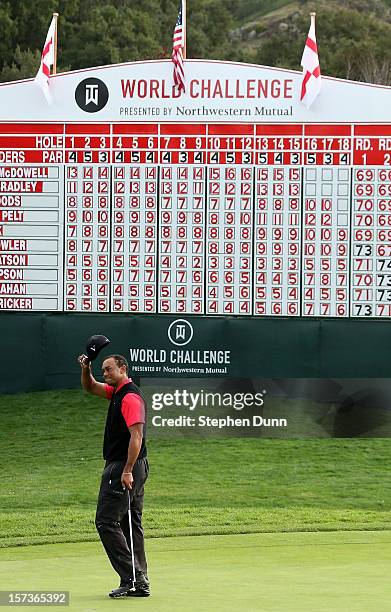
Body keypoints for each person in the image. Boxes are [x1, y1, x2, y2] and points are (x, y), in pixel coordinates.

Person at [78, 353, 150, 598]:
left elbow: (136, 437)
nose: (105, 374)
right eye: (103, 370)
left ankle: (130, 577)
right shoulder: (116, 392)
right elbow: (90, 386)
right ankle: (140, 581)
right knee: (131, 524)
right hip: (132, 465)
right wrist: (86, 367)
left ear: (123, 369)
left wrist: (127, 470)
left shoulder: (129, 396)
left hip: (124, 466)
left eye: (109, 370)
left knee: (106, 521)